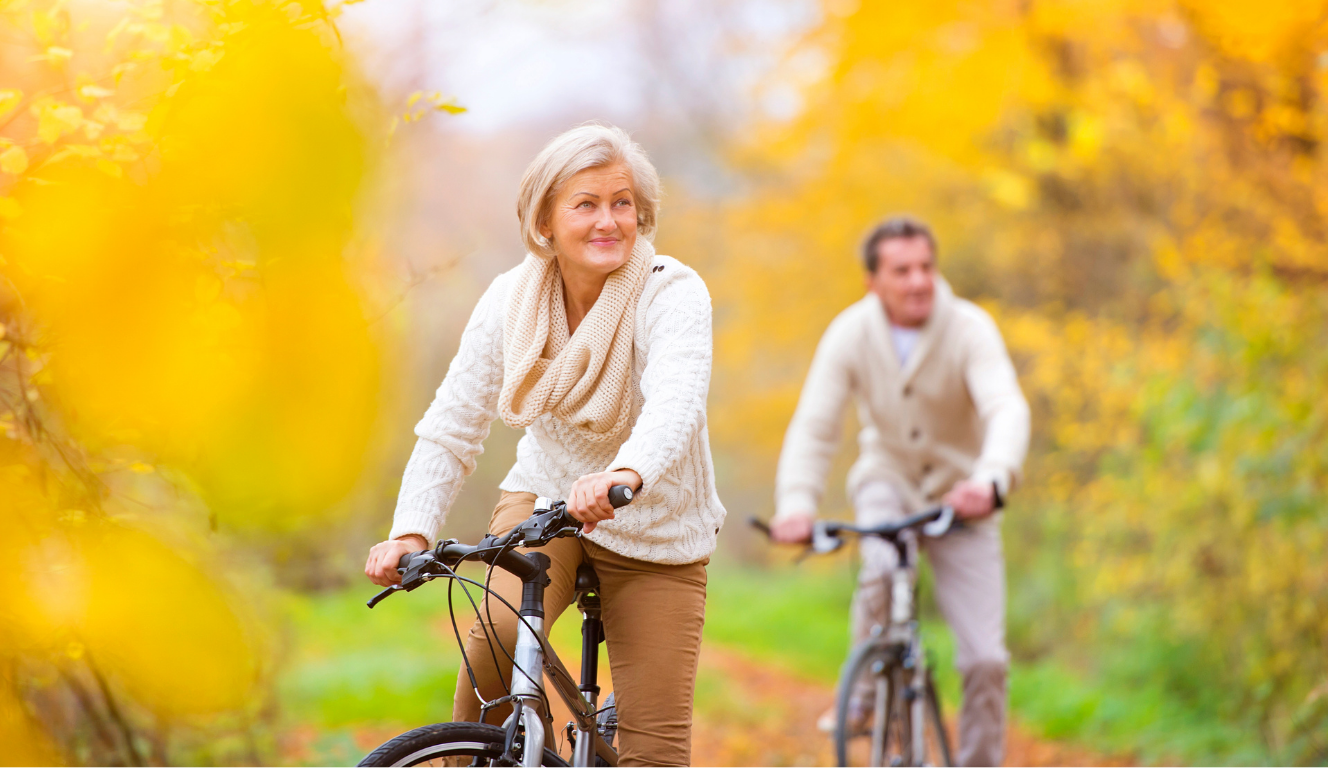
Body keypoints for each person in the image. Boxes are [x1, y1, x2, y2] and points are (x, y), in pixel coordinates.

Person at [364, 123, 725, 767]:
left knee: (656, 750)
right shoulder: (512, 299)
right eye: (586, 204)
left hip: (657, 523)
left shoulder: (671, 291)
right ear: (545, 222)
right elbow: (452, 424)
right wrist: (411, 532)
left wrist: (625, 473)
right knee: (497, 639)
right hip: (547, 501)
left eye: (621, 203)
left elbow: (675, 402)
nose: (608, 220)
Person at [770, 217, 1029, 767]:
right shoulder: (850, 333)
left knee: (985, 660)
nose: (918, 281)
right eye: (902, 270)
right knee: (882, 570)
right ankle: (864, 695)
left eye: (926, 267)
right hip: (887, 484)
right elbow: (816, 427)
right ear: (873, 282)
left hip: (963, 498)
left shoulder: (969, 328)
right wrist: (796, 504)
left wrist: (992, 478)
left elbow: (1005, 407)